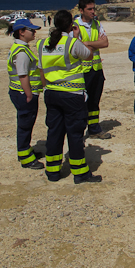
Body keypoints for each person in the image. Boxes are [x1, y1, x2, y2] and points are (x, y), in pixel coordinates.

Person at [37, 10, 102, 184]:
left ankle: (53, 171)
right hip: (72, 95)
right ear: (71, 25)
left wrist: (46, 87)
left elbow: (41, 69)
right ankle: (80, 173)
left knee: (54, 132)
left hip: (51, 93)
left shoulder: (42, 44)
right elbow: (88, 55)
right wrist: (77, 37)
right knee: (75, 134)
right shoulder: (71, 42)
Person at [7, 19, 44, 170]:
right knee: (25, 125)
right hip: (24, 94)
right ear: (21, 32)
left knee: (26, 123)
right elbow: (23, 75)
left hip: (19, 92)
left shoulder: (19, 47)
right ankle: (26, 158)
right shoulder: (21, 52)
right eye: (31, 30)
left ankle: (26, 151)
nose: (34, 33)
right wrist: (29, 95)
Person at [71, 0, 111, 139]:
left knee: (94, 101)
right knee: (81, 102)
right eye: (90, 9)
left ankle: (94, 129)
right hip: (82, 71)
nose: (93, 11)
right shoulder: (75, 26)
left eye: (94, 8)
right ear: (81, 10)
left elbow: (105, 43)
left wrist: (86, 43)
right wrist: (95, 43)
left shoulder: (97, 24)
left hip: (96, 69)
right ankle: (79, 132)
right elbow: (75, 46)